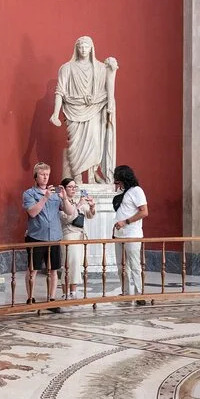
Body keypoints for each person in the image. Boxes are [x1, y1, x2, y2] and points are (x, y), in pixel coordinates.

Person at [50, 36, 118, 184]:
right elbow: (60, 91)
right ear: (76, 48)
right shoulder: (67, 68)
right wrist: (55, 114)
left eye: (86, 46)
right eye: (80, 46)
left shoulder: (100, 68)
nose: (83, 49)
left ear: (91, 48)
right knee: (75, 146)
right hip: (73, 110)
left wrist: (112, 72)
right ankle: (77, 178)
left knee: (95, 143)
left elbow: (108, 90)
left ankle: (93, 176)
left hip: (94, 109)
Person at [22, 162, 73, 311]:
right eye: (42, 174)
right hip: (37, 236)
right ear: (35, 176)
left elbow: (70, 212)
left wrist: (64, 198)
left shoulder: (56, 194)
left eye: (47, 175)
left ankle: (51, 299)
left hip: (54, 236)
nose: (45, 177)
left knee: (53, 269)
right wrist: (44, 198)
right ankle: (30, 298)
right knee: (33, 269)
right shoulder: (29, 193)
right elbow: (32, 213)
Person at [112, 165, 148, 306]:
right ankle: (126, 292)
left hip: (132, 234)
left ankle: (140, 293)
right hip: (119, 234)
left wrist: (125, 222)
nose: (117, 182)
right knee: (121, 266)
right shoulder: (123, 192)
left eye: (118, 180)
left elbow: (144, 212)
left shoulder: (136, 191)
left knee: (134, 265)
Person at [58, 178, 96, 300]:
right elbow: (67, 219)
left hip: (80, 235)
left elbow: (89, 215)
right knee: (68, 264)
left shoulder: (77, 201)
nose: (73, 189)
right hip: (69, 234)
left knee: (76, 264)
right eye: (70, 187)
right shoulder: (61, 202)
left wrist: (92, 206)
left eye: (75, 187)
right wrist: (78, 205)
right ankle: (65, 292)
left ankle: (73, 292)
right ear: (64, 189)